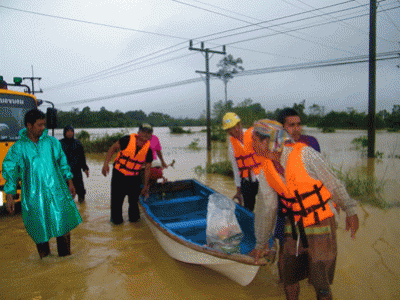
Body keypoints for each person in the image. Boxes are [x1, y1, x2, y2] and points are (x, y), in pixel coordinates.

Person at [249, 119, 359, 300]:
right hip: (293, 223)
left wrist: (350, 210)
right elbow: (266, 208)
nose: (251, 144)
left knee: (320, 282)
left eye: (254, 139)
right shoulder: (266, 168)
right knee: (289, 277)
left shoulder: (305, 154)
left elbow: (333, 183)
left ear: (264, 142)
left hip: (321, 221)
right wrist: (261, 244)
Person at [2, 109, 82, 259]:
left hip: (57, 193)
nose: (43, 128)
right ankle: (45, 265)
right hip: (34, 197)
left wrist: (70, 182)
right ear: (29, 125)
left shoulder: (52, 143)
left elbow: (63, 163)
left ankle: (66, 265)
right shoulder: (18, 148)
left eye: (44, 124)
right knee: (40, 231)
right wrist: (10, 196)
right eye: (39, 125)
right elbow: (10, 172)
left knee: (63, 227)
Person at [102, 123, 153, 224]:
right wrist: (105, 164)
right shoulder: (127, 140)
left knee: (134, 204)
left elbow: (147, 169)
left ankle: (134, 224)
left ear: (151, 136)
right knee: (116, 202)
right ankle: (116, 223)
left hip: (134, 178)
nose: (146, 134)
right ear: (138, 132)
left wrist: (146, 185)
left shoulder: (149, 151)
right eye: (143, 131)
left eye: (149, 133)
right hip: (119, 175)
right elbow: (113, 148)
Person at [222, 112, 262, 211]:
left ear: (240, 125)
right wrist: (238, 191)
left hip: (262, 177)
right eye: (230, 129)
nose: (235, 131)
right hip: (247, 181)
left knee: (267, 208)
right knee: (248, 209)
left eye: (236, 126)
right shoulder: (232, 147)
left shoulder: (254, 134)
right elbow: (236, 171)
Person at [60, 125, 89, 203]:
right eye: (68, 131)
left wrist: (85, 168)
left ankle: (82, 210)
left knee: (81, 191)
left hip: (77, 171)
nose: (69, 133)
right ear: (64, 133)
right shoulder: (60, 144)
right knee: (66, 193)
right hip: (65, 172)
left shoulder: (77, 143)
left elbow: (82, 157)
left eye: (71, 131)